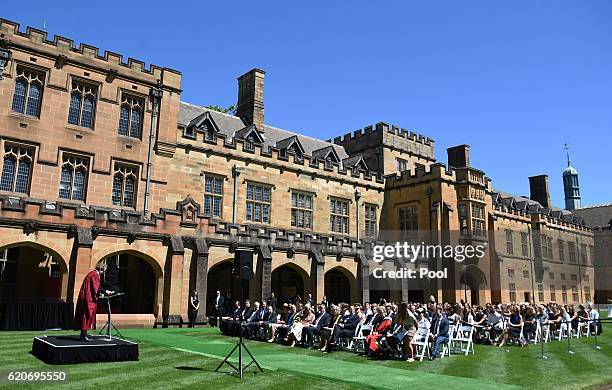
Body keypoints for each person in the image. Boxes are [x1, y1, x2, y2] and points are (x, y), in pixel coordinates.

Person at [73, 263, 113, 341]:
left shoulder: (92, 274)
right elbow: (96, 288)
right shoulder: (94, 274)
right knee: (87, 314)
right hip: (88, 298)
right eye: (104, 269)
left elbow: (96, 287)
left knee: (86, 315)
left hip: (87, 296)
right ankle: (83, 336)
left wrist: (104, 291)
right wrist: (106, 292)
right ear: (102, 269)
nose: (104, 271)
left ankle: (83, 335)